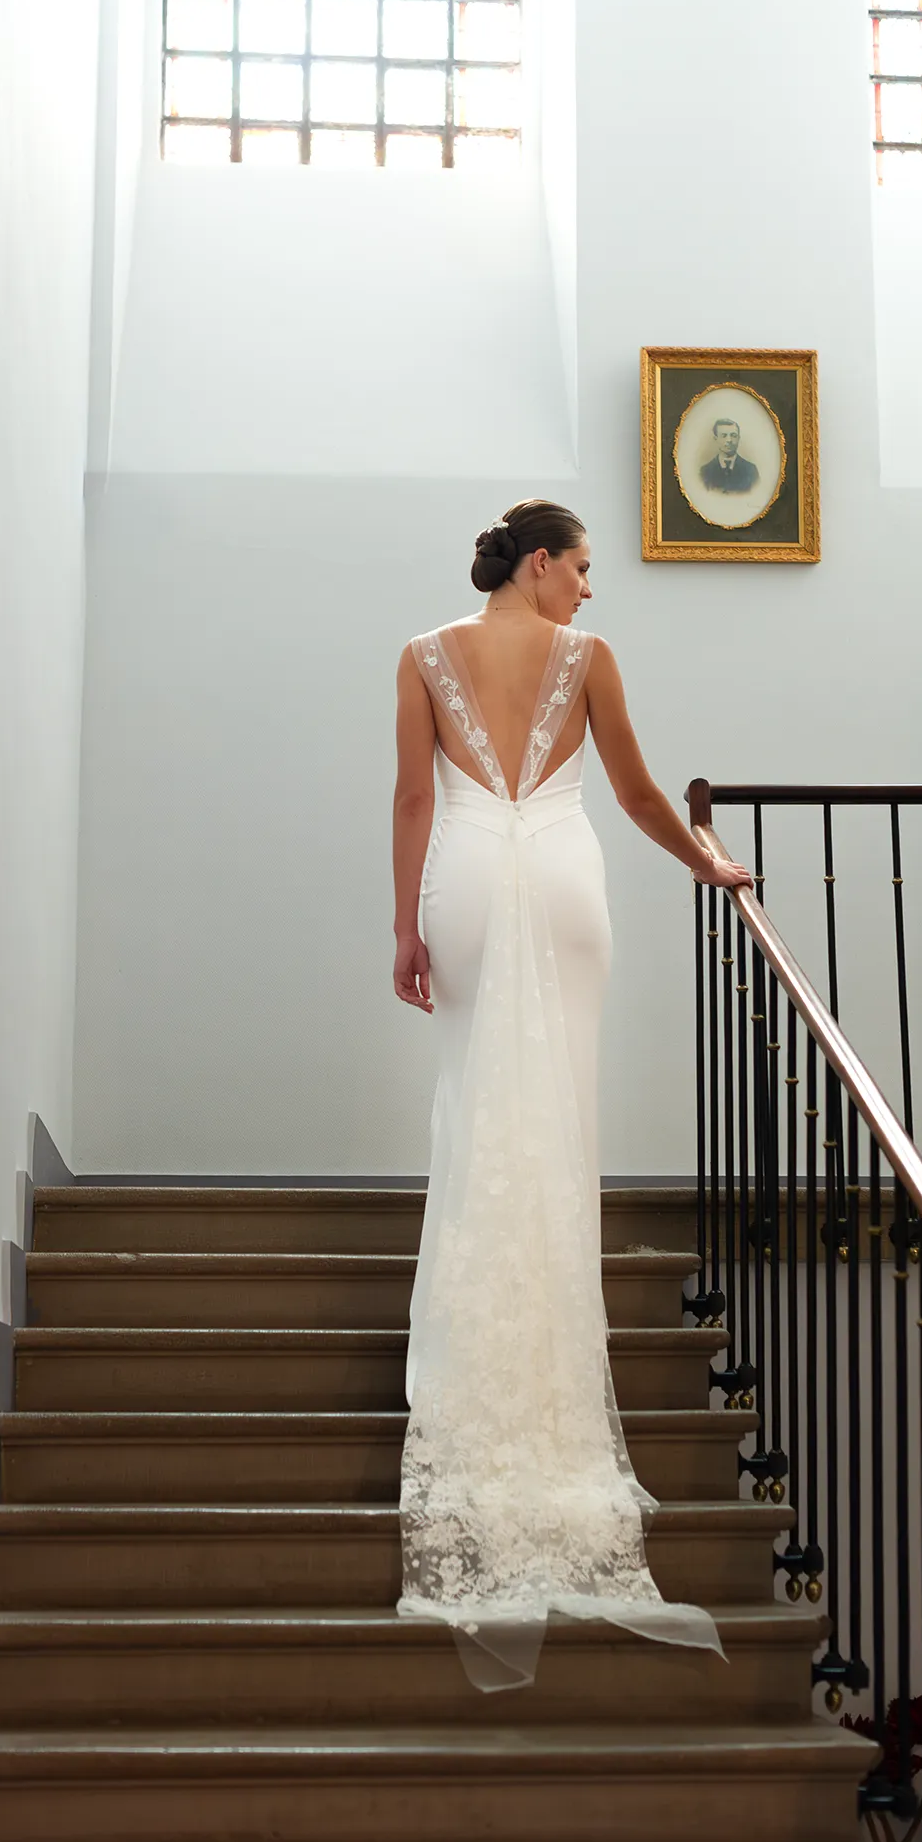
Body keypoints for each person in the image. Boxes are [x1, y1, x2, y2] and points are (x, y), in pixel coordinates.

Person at [390, 497, 752, 1691]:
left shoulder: (421, 656)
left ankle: (480, 1372)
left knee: (476, 1110)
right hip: (557, 873)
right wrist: (708, 860)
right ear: (538, 563)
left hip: (464, 882)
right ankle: (547, 1386)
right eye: (583, 567)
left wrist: (404, 927)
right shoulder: (585, 660)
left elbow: (409, 800)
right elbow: (642, 793)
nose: (591, 591)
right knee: (559, 1129)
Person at [699, 417, 759, 493]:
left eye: (733, 435)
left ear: (738, 438)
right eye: (724, 436)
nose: (729, 440)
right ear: (715, 439)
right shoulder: (705, 471)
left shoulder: (751, 470)